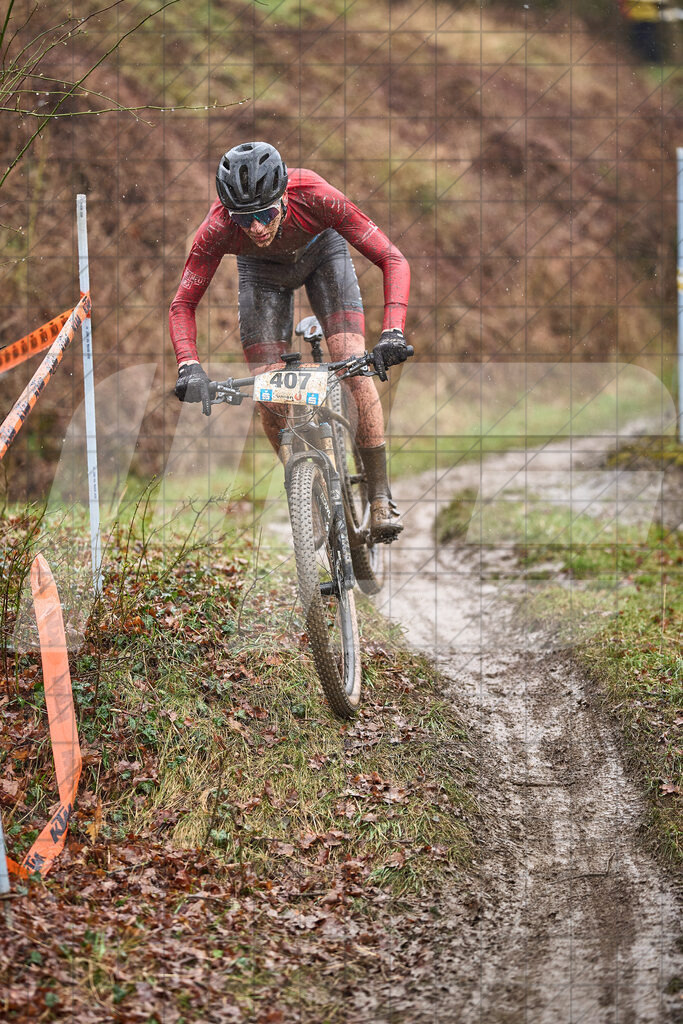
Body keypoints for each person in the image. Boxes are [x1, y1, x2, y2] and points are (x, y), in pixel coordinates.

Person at [170, 140, 411, 542]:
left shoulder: (316, 196)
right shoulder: (216, 229)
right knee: (268, 387)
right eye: (243, 219)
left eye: (264, 213)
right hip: (260, 275)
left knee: (352, 362)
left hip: (323, 256)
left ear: (283, 196)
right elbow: (182, 304)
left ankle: (380, 494)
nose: (257, 228)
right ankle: (303, 487)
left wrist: (393, 331)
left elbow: (392, 258)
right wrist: (188, 364)